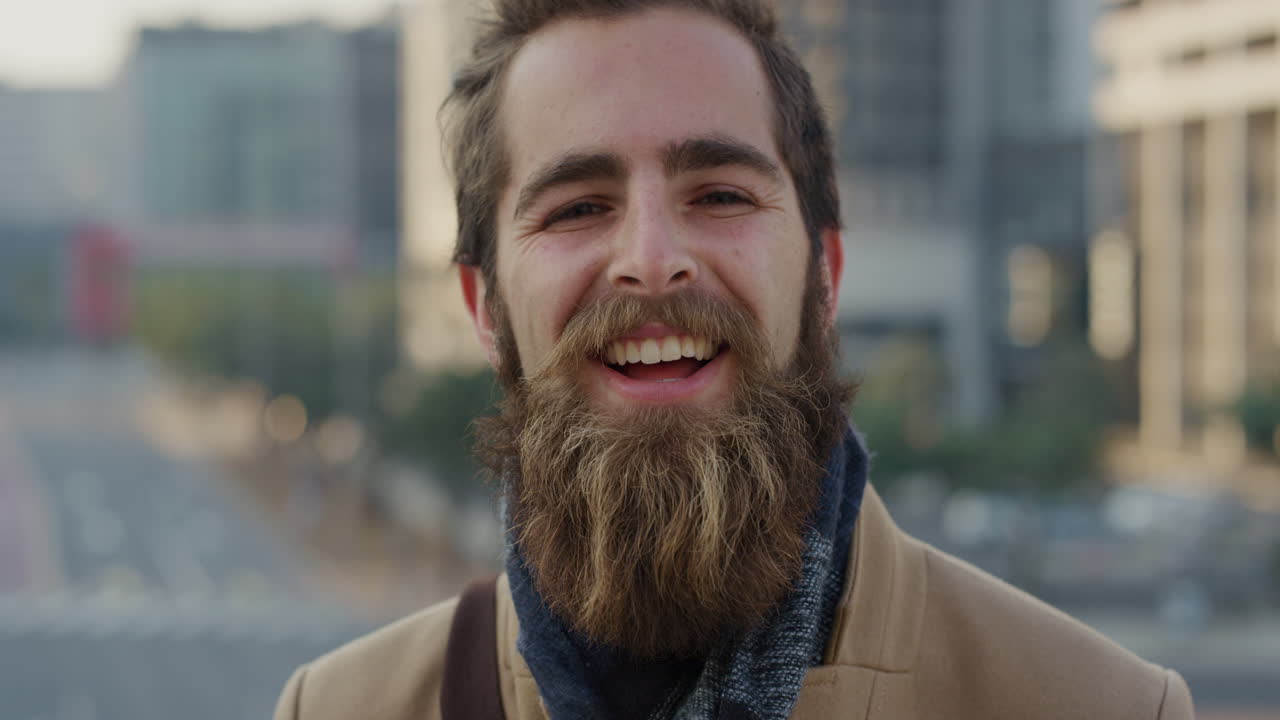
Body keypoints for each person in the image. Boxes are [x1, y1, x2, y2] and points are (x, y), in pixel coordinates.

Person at [274, 1, 1195, 718]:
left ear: (823, 278)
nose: (650, 257)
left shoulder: (1100, 706)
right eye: (577, 208)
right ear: (487, 309)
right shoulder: (341, 709)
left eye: (718, 192)